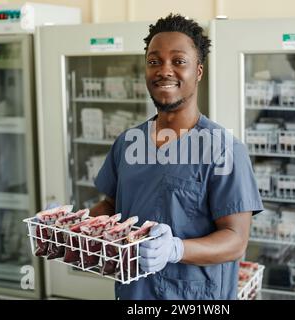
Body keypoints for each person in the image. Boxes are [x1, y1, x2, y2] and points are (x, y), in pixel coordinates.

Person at [90, 13, 263, 300]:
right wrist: (72, 225)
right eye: (154, 61)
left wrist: (175, 249)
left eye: (178, 61)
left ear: (198, 71)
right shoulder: (127, 143)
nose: (164, 70)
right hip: (134, 295)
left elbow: (235, 241)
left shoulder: (223, 149)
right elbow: (111, 205)